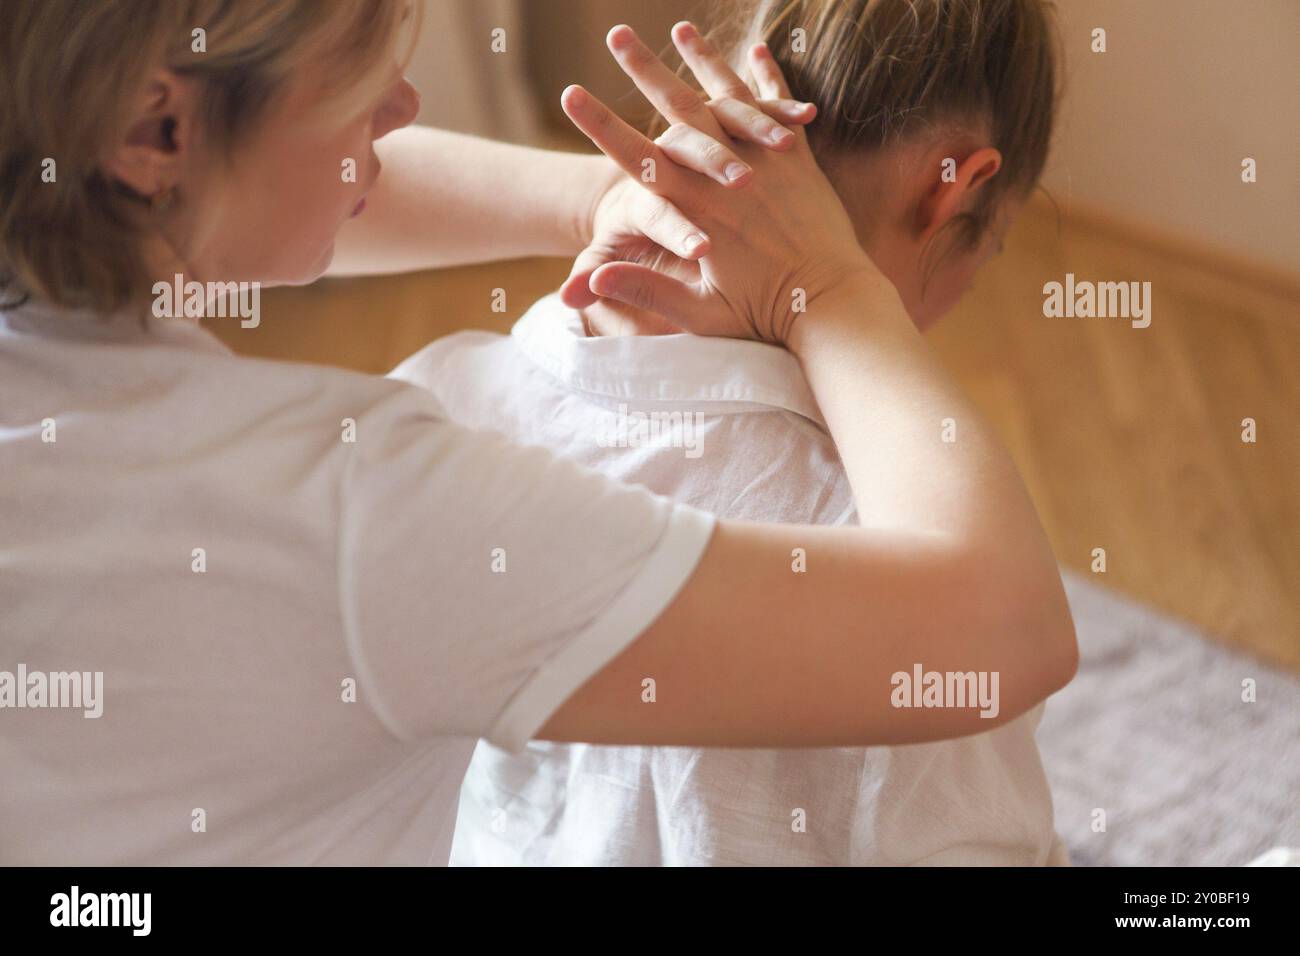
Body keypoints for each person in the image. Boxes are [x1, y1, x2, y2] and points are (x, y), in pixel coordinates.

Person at [0, 0, 1074, 865]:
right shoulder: (362, 509)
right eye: (362, 69)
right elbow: (1005, 634)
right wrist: (822, 280)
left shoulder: (444, 391)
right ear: (158, 129)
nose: (405, 105)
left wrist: (613, 193)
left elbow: (283, 180)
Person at [393, 1, 1071, 866]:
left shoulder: (444, 393)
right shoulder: (912, 568)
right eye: (995, 247)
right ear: (956, 188)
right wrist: (829, 287)